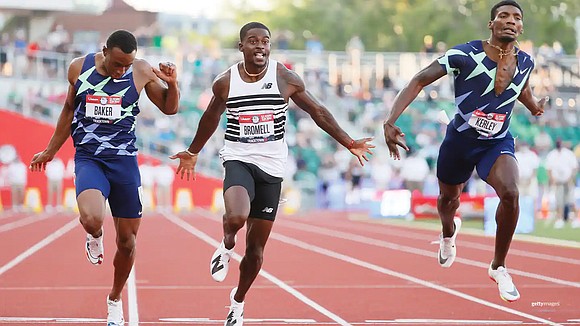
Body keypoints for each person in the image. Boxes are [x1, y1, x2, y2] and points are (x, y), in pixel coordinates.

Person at [170, 22, 374, 326]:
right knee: (237, 216)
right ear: (241, 47)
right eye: (252, 41)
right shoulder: (226, 82)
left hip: (273, 167)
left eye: (265, 41)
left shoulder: (285, 78)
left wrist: (348, 142)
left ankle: (237, 303)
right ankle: (226, 244)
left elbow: (317, 112)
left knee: (255, 250)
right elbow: (211, 117)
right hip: (239, 157)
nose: (260, 47)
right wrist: (193, 151)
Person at [383, 0, 547, 303]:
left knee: (511, 192)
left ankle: (499, 266)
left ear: (521, 27)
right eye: (503, 16)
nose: (510, 21)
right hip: (459, 141)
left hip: (496, 142)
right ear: (492, 24)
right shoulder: (464, 54)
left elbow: (520, 87)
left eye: (516, 18)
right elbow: (419, 79)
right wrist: (390, 120)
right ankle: (448, 233)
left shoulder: (526, 62)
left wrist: (534, 105)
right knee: (448, 201)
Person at [29, 29, 179, 325]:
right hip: (89, 158)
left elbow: (170, 108)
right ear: (105, 51)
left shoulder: (140, 71)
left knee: (127, 241)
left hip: (124, 162)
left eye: (127, 64)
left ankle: (114, 299)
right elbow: (68, 110)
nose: (121, 70)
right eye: (117, 64)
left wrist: (173, 84)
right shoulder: (78, 68)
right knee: (92, 218)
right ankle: (94, 236)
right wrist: (50, 150)